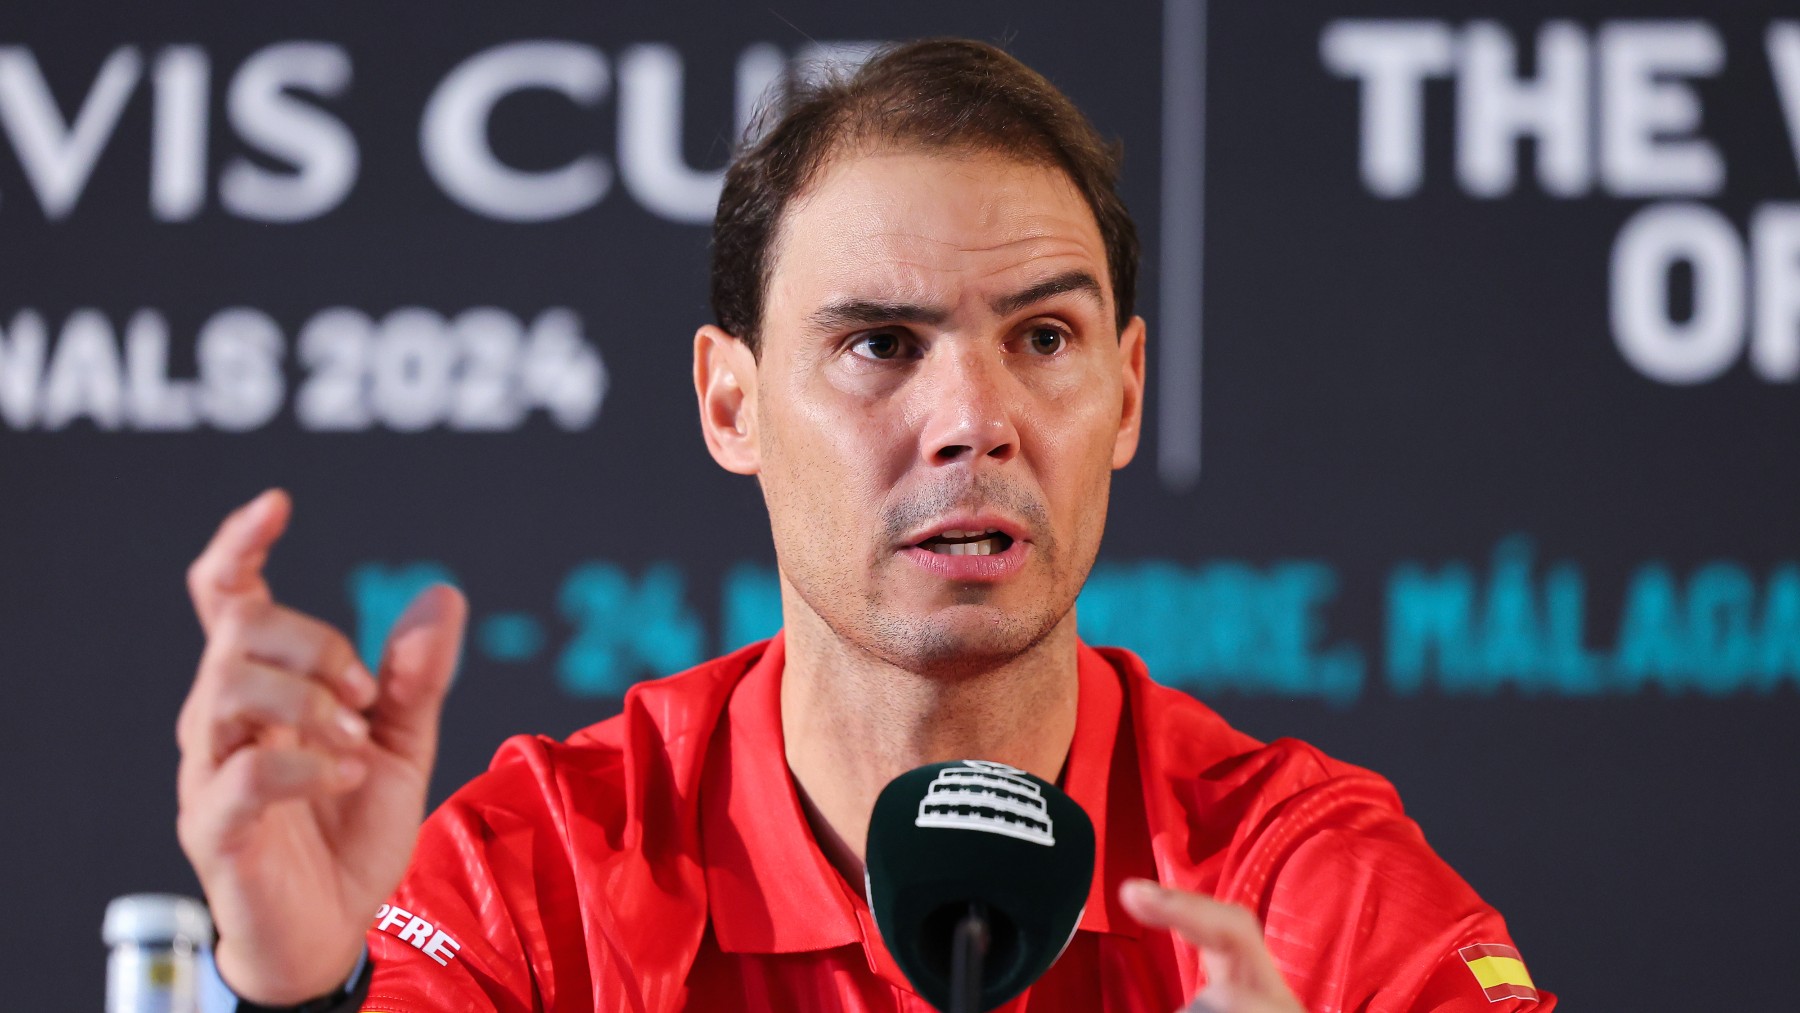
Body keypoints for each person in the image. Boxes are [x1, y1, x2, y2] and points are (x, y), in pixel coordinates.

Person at [174, 38, 1553, 1012]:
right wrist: (298, 997)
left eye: (1045, 337)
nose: (975, 418)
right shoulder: (537, 870)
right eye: (882, 343)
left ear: (1127, 395)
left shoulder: (1305, 891)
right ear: (732, 405)